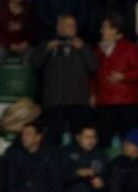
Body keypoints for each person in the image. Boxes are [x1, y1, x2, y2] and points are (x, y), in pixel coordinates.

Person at [32, 14, 97, 145]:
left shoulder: (84, 46)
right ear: (59, 28)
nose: (72, 28)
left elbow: (94, 66)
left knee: (79, 139)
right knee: (53, 139)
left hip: (78, 101)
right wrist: (46, 49)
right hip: (55, 102)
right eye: (68, 25)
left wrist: (83, 49)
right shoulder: (49, 46)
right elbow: (35, 65)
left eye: (73, 25)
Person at [92, 14, 138, 148]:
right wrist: (92, 93)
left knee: (129, 140)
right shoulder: (97, 50)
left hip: (126, 102)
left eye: (105, 27)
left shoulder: (130, 48)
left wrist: (123, 77)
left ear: (115, 30)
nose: (101, 31)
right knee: (104, 140)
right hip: (104, 101)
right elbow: (93, 75)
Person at [6, 120, 61, 192]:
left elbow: (55, 178)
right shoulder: (14, 153)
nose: (24, 137)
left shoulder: (50, 154)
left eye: (28, 134)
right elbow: (10, 176)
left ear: (38, 137)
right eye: (23, 134)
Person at [59, 125, 111, 192]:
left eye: (93, 137)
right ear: (78, 138)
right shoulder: (67, 153)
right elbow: (60, 177)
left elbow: (108, 177)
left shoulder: (101, 154)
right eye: (87, 137)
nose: (91, 140)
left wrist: (102, 184)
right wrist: (77, 173)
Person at [0, 0, 36, 76]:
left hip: (23, 45)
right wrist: (9, 44)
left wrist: (27, 42)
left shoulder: (29, 10)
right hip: (3, 43)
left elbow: (34, 31)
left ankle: (27, 84)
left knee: (31, 54)